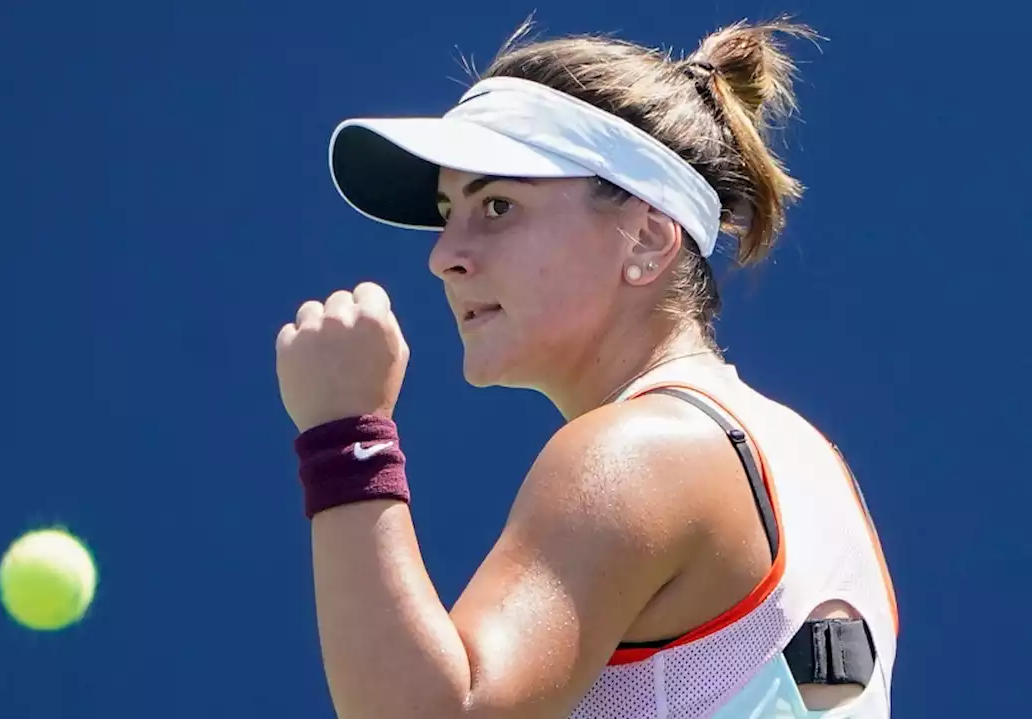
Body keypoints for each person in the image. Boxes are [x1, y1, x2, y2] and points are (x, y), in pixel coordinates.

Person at [275, 16, 898, 719]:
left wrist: (346, 435)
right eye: (450, 212)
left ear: (647, 238)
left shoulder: (641, 451)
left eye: (498, 205)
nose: (444, 254)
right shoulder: (803, 457)